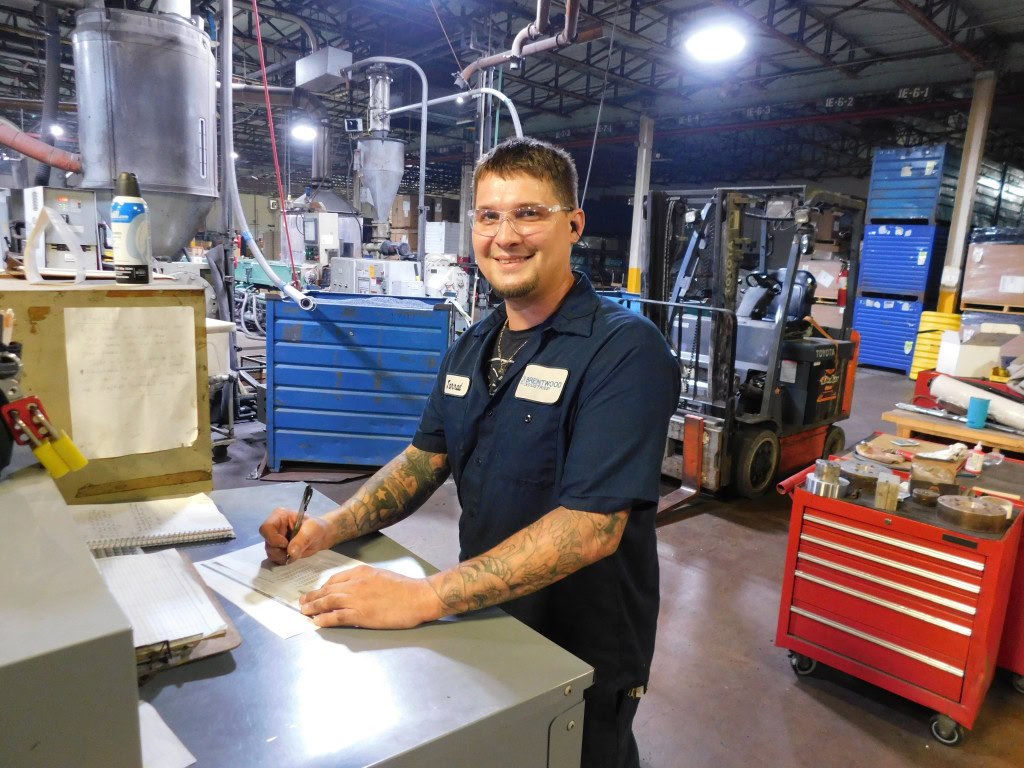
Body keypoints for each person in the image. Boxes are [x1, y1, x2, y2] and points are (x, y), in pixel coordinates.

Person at [260, 137, 680, 768]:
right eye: (488, 216)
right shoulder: (474, 343)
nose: (505, 235)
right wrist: (328, 526)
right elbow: (423, 461)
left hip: (582, 649)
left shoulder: (624, 350)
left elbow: (591, 528)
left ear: (573, 224)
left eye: (528, 213)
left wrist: (422, 597)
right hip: (484, 616)